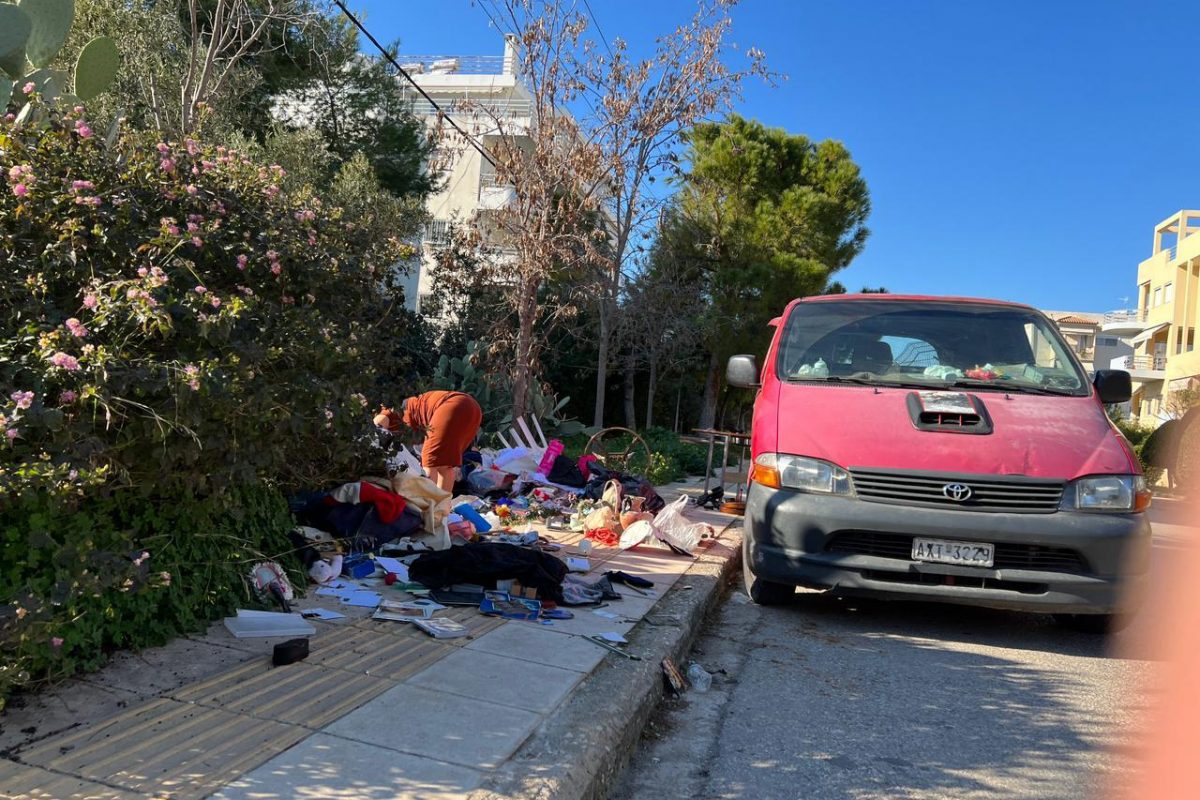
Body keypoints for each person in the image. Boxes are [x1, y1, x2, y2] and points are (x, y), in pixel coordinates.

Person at [374, 391, 482, 492]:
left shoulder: (387, 413)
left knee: (429, 461)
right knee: (446, 465)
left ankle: (427, 505)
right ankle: (441, 508)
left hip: (453, 404)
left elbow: (375, 430)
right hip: (473, 409)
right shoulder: (408, 411)